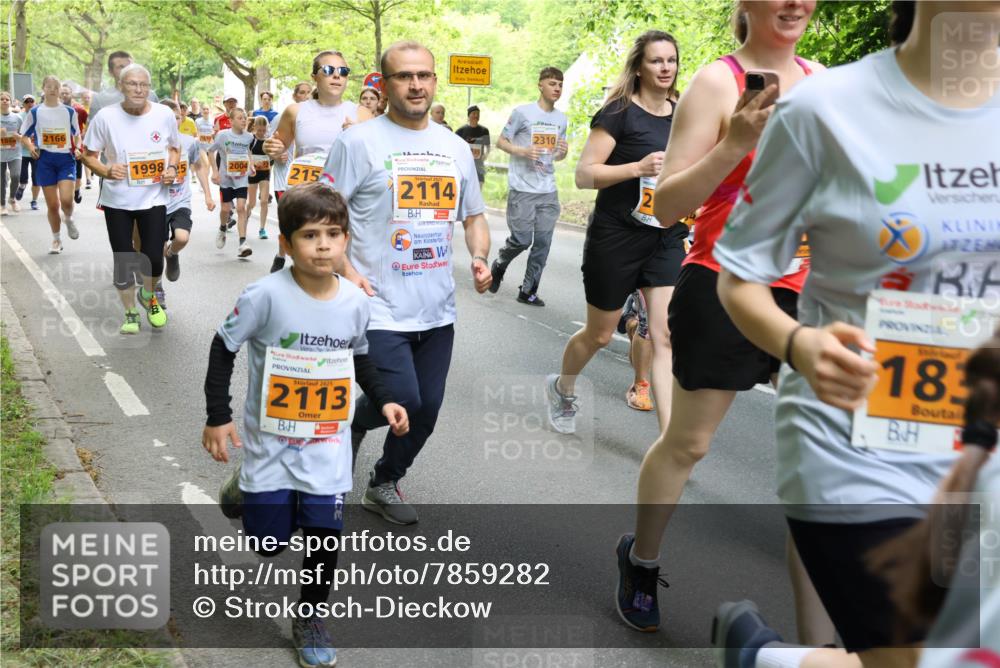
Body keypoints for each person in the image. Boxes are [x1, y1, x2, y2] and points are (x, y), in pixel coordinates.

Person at [707, 2, 1000, 666]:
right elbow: (740, 277)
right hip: (855, 443)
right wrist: (797, 345)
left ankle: (762, 657)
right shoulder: (824, 111)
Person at [614, 3, 829, 640]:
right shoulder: (717, 82)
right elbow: (669, 205)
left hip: (811, 291)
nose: (793, 4)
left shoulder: (825, 82)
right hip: (722, 282)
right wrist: (735, 141)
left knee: (822, 462)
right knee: (690, 443)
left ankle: (822, 632)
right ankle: (641, 560)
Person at [203, 182, 409, 668]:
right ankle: (241, 491)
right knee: (268, 544)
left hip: (328, 446)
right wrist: (218, 416)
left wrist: (385, 402)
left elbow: (362, 360)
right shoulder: (264, 297)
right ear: (286, 243)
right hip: (270, 445)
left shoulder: (356, 303)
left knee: (323, 536)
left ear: (346, 242)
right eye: (310, 235)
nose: (322, 245)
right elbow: (222, 348)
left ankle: (311, 616)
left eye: (333, 234)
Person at [321, 40, 492, 525]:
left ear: (435, 81)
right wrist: (348, 273)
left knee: (428, 409)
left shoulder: (455, 147)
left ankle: (383, 481)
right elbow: (322, 215)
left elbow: (474, 216)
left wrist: (479, 257)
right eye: (403, 76)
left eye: (424, 76)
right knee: (405, 399)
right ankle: (348, 430)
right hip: (375, 305)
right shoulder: (358, 143)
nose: (415, 84)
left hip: (437, 309)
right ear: (384, 83)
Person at [548, 32, 685, 433]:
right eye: (656, 61)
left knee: (664, 337)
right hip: (616, 235)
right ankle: (563, 387)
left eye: (671, 61)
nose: (665, 68)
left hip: (665, 235)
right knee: (600, 335)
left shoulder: (684, 113)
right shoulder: (619, 113)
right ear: (639, 67)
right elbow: (585, 174)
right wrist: (637, 168)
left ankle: (669, 439)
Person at [80, 63, 179, 334]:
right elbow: (88, 155)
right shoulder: (105, 118)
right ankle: (131, 313)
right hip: (118, 201)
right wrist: (106, 170)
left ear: (149, 88)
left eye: (144, 84)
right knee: (123, 258)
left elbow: (174, 147)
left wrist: (171, 168)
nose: (138, 89)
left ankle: (149, 295)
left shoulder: (163, 114)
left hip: (154, 197)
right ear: (121, 87)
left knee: (154, 259)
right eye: (133, 84)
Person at [264, 51, 370, 273]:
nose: (336, 76)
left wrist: (357, 138)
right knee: (311, 267)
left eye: (343, 72)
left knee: (343, 266)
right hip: (308, 199)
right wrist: (271, 148)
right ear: (315, 77)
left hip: (347, 201)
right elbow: (278, 144)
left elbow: (376, 158)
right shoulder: (296, 111)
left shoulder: (360, 114)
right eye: (329, 70)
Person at [492, 67, 569, 306]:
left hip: (548, 190)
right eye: (552, 83)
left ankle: (528, 290)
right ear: (541, 85)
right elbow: (501, 141)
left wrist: (561, 153)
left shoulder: (561, 119)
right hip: (522, 189)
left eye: (560, 84)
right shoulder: (522, 113)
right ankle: (500, 264)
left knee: (543, 244)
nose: (557, 88)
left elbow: (554, 156)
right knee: (522, 240)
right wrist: (522, 150)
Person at [159, 100, 213, 301]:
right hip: (156, 203)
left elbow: (199, 166)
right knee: (156, 248)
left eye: (177, 117)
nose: (174, 121)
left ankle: (172, 254)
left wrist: (207, 194)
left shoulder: (189, 142)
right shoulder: (153, 143)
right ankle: (157, 289)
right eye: (169, 118)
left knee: (182, 238)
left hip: (180, 200)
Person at [20, 76, 81, 254]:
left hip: (65, 160)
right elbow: (23, 135)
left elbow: (77, 134)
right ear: (43, 88)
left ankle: (68, 219)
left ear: (60, 89)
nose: (53, 89)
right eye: (49, 86)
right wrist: (31, 147)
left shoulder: (69, 111)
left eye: (56, 86)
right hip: (45, 160)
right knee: (53, 205)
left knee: (67, 201)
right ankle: (56, 239)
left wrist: (77, 147)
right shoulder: (35, 112)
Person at [208, 107, 255, 257]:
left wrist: (251, 164)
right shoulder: (223, 136)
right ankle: (223, 228)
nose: (243, 120)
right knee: (225, 209)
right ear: (231, 121)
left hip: (241, 178)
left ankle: (242, 243)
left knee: (241, 207)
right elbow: (211, 151)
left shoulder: (249, 137)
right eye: (240, 118)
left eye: (245, 118)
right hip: (226, 179)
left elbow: (248, 151)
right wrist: (215, 172)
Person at [89, 50, 159, 119]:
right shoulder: (99, 100)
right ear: (110, 72)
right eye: (121, 67)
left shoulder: (151, 96)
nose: (127, 70)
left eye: (130, 66)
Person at [60, 84, 89, 204]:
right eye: (62, 93)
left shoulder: (80, 110)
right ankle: (65, 197)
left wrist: (84, 134)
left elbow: (88, 123)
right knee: (63, 176)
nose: (64, 95)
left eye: (67, 93)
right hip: (61, 147)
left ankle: (77, 190)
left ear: (71, 94)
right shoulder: (55, 109)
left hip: (76, 147)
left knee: (77, 175)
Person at [246, 115, 272, 240]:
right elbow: (247, 153)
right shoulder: (251, 139)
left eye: (264, 130)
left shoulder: (269, 140)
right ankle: (244, 220)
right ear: (255, 127)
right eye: (259, 130)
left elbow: (273, 157)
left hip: (265, 173)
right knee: (251, 203)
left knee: (264, 201)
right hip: (253, 173)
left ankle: (262, 228)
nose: (262, 133)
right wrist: (251, 164)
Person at [15, 94, 40, 210]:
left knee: (36, 178)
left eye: (32, 101)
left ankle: (34, 201)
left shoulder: (40, 115)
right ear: (23, 104)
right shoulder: (19, 116)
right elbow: (14, 133)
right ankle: (21, 186)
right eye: (27, 101)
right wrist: (23, 139)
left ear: (35, 103)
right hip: (22, 152)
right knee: (23, 176)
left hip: (37, 152)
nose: (29, 103)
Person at [455, 104, 490, 185]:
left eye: (478, 114)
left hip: (479, 163)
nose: (476, 115)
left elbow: (488, 146)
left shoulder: (484, 130)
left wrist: (486, 155)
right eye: (474, 113)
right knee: (465, 184)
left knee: (479, 184)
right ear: (469, 115)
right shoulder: (461, 130)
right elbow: (455, 146)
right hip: (465, 163)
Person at [1, 91, 22, 215]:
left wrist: (19, 136)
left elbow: (25, 134)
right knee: (1, 180)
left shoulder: (17, 118)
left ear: (10, 102)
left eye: (6, 99)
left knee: (16, 176)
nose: (4, 101)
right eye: (1, 99)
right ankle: (2, 205)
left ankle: (12, 199)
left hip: (15, 153)